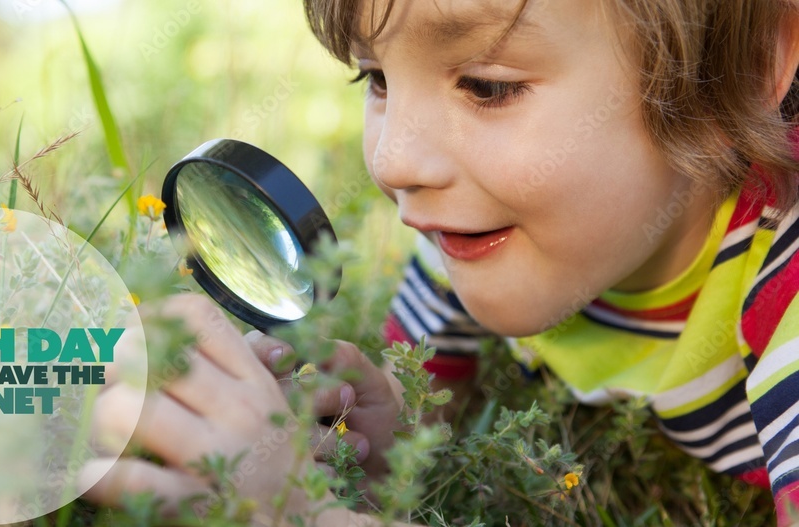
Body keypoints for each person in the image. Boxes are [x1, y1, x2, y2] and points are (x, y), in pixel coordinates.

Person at [79, 0, 799, 524]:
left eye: (488, 85)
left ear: (748, 67)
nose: (396, 162)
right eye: (378, 80)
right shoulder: (469, 232)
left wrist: (295, 513)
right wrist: (394, 439)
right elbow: (428, 422)